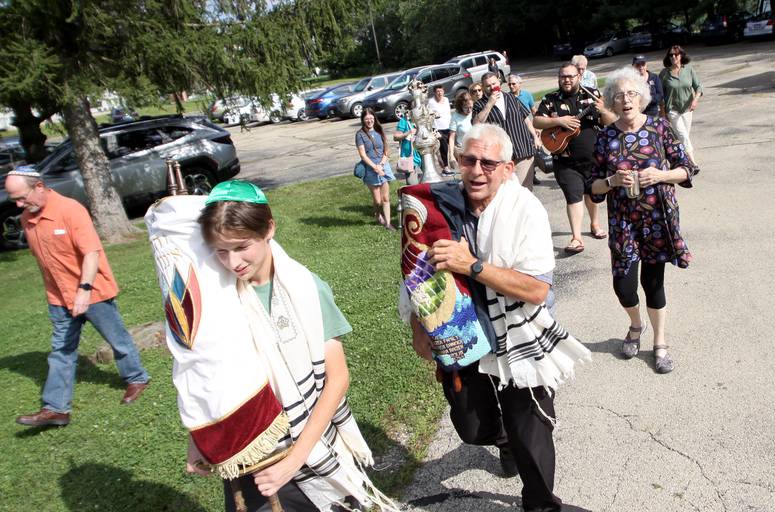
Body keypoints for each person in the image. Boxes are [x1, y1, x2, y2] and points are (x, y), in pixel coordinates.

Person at [403, 124, 590, 511]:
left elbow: (537, 290)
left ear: (508, 168)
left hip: (519, 335)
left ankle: (539, 502)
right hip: (462, 333)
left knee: (531, 433)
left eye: (489, 163)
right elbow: (416, 272)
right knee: (473, 429)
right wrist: (418, 325)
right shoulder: (438, 207)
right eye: (469, 160)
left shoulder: (525, 210)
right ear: (458, 161)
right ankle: (501, 437)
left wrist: (471, 266)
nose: (477, 170)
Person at [182, 181, 397, 511]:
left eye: (241, 247)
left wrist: (294, 460)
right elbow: (206, 372)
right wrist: (197, 436)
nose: (233, 262)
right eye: (220, 251)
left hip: (310, 450)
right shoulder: (215, 300)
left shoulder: (307, 290)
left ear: (269, 228)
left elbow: (337, 380)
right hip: (249, 453)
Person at [6, 167, 150, 427]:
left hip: (92, 292)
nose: (18, 204)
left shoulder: (70, 210)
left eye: (22, 197)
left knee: (117, 340)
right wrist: (61, 295)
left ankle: (137, 378)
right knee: (61, 352)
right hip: (59, 298)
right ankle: (56, 409)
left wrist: (83, 290)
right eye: (14, 199)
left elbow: (92, 253)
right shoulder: (28, 218)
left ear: (39, 186)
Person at [588, 67, 698, 374]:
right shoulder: (606, 137)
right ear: (611, 101)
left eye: (632, 93)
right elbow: (592, 186)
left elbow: (688, 169)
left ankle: (660, 342)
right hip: (623, 223)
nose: (626, 99)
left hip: (657, 219)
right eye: (619, 95)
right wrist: (611, 180)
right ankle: (636, 325)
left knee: (653, 283)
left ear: (642, 97)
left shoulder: (659, 128)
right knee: (623, 285)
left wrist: (661, 174)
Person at [534, 63, 616, 254]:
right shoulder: (550, 100)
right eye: (563, 77)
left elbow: (611, 122)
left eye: (570, 76)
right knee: (573, 196)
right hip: (565, 161)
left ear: (579, 76)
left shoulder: (592, 94)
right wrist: (559, 121)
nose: (567, 80)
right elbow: (537, 121)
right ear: (559, 78)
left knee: (592, 195)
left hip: (593, 158)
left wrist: (604, 110)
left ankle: (595, 224)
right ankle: (576, 238)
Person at [473, 72, 539, 190]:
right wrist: (489, 105)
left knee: (525, 191)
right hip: (500, 156)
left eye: (494, 83)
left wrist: (535, 136)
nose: (492, 87)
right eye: (488, 85)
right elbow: (476, 125)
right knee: (505, 192)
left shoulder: (512, 98)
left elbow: (525, 119)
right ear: (483, 87)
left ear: (499, 81)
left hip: (523, 150)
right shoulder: (479, 104)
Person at [659, 45, 702, 162]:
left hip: (688, 109)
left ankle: (679, 158)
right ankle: (693, 163)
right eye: (671, 55)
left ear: (681, 55)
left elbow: (698, 87)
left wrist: (695, 100)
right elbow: (660, 95)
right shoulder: (664, 74)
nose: (673, 57)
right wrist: (663, 114)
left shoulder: (688, 69)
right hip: (672, 110)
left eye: (676, 54)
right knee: (683, 135)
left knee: (683, 136)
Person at [355, 107, 395, 230]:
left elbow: (386, 150)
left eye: (371, 118)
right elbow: (362, 154)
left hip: (383, 166)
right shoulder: (360, 134)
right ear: (363, 120)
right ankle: (378, 215)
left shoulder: (379, 130)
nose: (369, 121)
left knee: (386, 198)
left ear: (374, 118)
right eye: (367, 119)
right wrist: (375, 167)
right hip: (370, 169)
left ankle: (388, 223)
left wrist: (381, 165)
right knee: (377, 201)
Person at [507, 74, 542, 185]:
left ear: (519, 84)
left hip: (529, 128)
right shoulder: (507, 97)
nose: (511, 86)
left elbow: (533, 110)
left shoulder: (527, 95)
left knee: (533, 152)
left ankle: (532, 175)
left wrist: (537, 127)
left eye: (513, 84)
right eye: (509, 84)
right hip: (516, 131)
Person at [427, 84, 453, 174]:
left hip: (449, 126)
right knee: (443, 148)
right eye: (437, 91)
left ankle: (455, 163)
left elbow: (449, 113)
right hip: (438, 128)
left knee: (454, 147)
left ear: (443, 91)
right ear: (434, 92)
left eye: (441, 91)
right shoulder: (431, 102)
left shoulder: (446, 100)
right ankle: (446, 167)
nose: (439, 93)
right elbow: (428, 115)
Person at [393, 113, 422, 184]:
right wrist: (408, 133)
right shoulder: (404, 121)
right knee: (412, 185)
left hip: (423, 155)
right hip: (410, 158)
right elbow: (395, 137)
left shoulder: (422, 119)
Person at [446, 91, 473, 170]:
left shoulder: (475, 112)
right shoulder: (455, 117)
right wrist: (451, 155)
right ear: (461, 106)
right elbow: (451, 137)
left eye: (471, 107)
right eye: (466, 107)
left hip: (477, 148)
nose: (469, 110)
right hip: (462, 150)